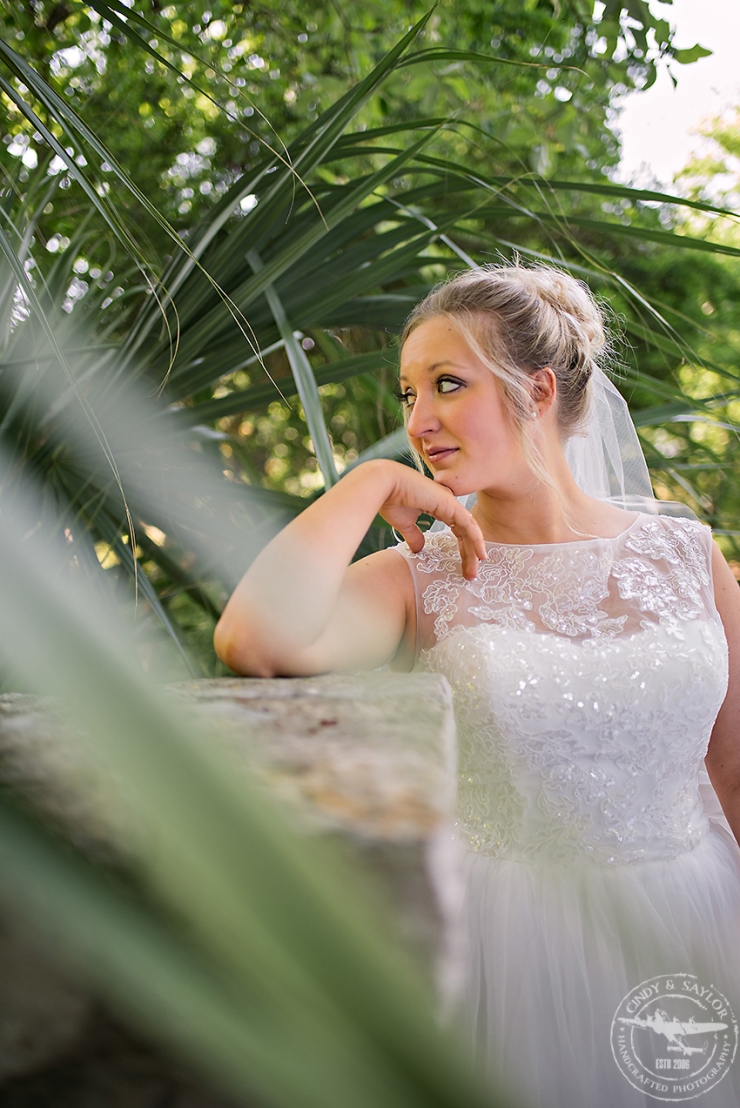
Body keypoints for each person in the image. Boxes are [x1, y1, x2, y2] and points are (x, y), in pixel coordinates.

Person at [214, 263, 740, 1107]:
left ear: (535, 391)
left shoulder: (687, 557)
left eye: (446, 386)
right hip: (510, 951)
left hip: (699, 925)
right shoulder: (418, 579)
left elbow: (736, 772)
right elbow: (255, 639)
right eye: (407, 395)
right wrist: (371, 482)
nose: (418, 422)